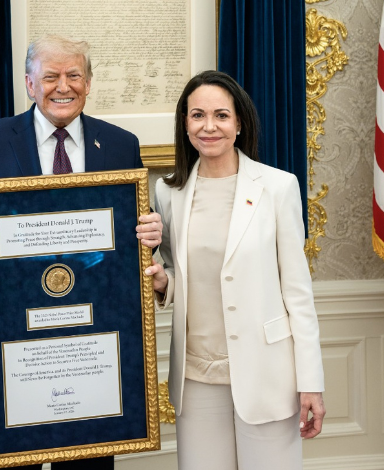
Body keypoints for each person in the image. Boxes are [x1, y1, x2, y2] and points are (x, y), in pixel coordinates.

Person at [0, 35, 162, 470]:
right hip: (10, 343)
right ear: (29, 83)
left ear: (89, 82)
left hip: (91, 345)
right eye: (51, 76)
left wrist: (148, 229)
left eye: (74, 75)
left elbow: (131, 223)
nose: (64, 86)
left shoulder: (120, 145)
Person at [144, 70, 325, 470]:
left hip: (267, 374)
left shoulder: (278, 187)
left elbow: (297, 291)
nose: (209, 126)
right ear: (185, 124)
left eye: (221, 116)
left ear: (239, 123)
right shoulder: (168, 193)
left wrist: (311, 381)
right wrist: (163, 282)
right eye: (197, 116)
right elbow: (177, 270)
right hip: (195, 378)